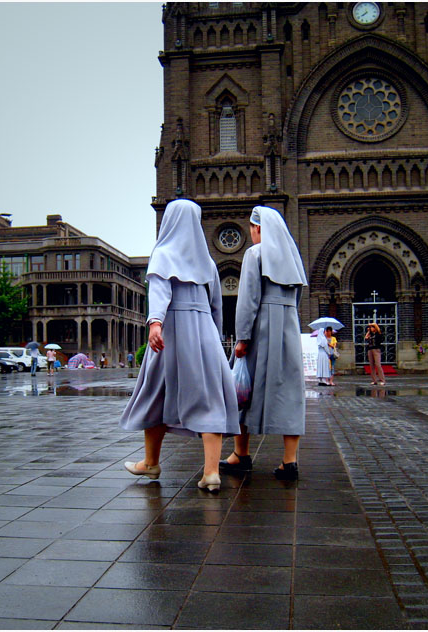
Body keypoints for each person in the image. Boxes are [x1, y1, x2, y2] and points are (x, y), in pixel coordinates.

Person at [119, 199, 240, 492]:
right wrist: (214, 337)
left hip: (171, 334)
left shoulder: (163, 254)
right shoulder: (208, 263)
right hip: (205, 334)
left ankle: (150, 462)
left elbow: (159, 291)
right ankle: (211, 472)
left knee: (156, 394)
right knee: (209, 397)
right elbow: (216, 307)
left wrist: (156, 323)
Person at [221, 205, 308, 481]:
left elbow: (247, 300)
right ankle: (289, 461)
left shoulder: (254, 254)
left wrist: (242, 338)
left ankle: (241, 454)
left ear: (258, 228)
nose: (251, 232)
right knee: (290, 391)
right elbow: (297, 298)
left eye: (251, 227)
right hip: (288, 328)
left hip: (261, 330)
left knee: (241, 390)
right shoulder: (292, 257)